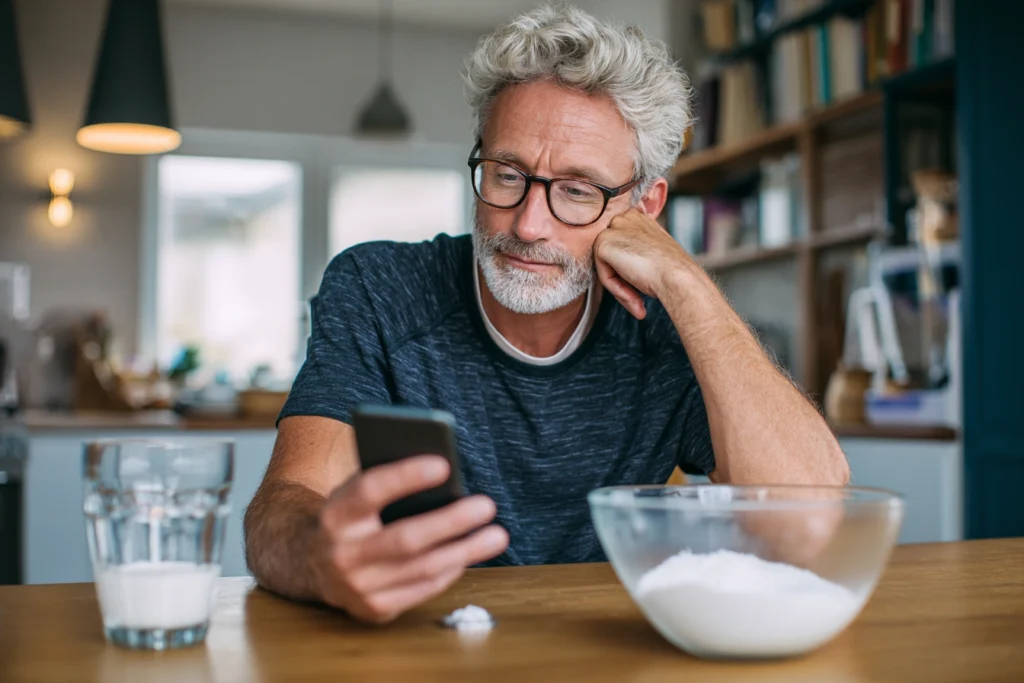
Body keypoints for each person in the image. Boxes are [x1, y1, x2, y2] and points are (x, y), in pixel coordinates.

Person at [244, 5, 850, 624]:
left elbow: (813, 524)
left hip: (608, 646)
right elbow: (282, 508)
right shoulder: (380, 289)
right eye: (507, 176)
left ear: (645, 207)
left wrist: (686, 282)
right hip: (421, 639)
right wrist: (320, 556)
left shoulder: (670, 325)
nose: (529, 225)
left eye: (578, 191)